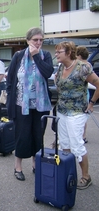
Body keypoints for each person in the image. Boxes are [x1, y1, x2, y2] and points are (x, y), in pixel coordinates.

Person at [6, 27, 53, 181]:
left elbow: (48, 73)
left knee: (38, 135)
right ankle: (17, 166)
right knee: (22, 135)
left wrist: (37, 57)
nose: (38, 43)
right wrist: (10, 103)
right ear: (28, 41)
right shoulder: (18, 56)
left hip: (41, 104)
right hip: (21, 104)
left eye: (41, 40)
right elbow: (10, 79)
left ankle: (35, 163)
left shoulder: (45, 55)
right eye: (35, 40)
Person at [55, 41, 99, 190]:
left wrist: (92, 102)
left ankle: (86, 177)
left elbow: (98, 84)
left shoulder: (82, 67)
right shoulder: (61, 67)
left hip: (77, 112)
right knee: (64, 144)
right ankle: (68, 173)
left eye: (58, 52)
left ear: (68, 53)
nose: (56, 55)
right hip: (62, 111)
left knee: (77, 145)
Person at [76, 46, 91, 144]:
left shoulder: (83, 66)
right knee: (84, 116)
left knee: (81, 116)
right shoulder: (89, 64)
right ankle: (83, 136)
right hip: (86, 93)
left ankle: (82, 135)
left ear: (79, 55)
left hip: (82, 93)